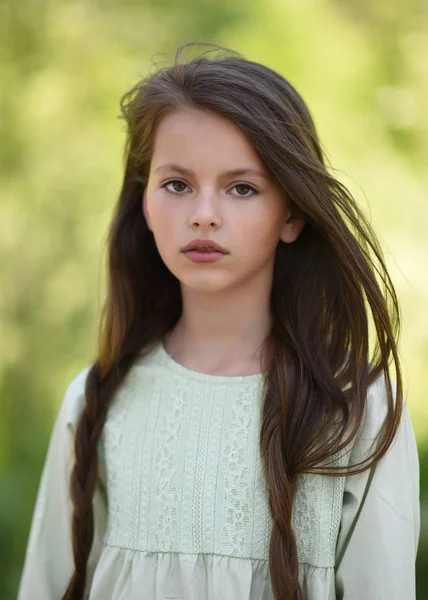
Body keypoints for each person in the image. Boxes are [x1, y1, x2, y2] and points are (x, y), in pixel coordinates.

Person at [18, 42, 420, 600]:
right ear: (145, 204)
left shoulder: (359, 409)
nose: (204, 213)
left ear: (293, 214)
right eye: (177, 185)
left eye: (242, 188)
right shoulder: (97, 400)